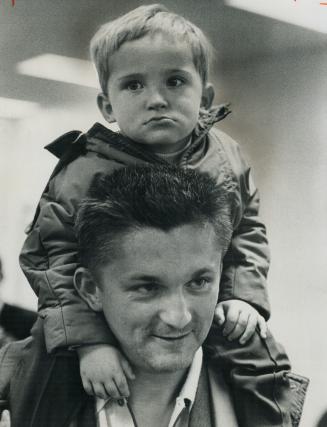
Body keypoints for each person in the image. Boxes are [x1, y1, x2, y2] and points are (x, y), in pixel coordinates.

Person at [18, 4, 291, 425]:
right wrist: (90, 343)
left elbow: (246, 226)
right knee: (45, 369)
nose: (157, 99)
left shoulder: (225, 156)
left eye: (175, 81)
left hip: (209, 316)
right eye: (134, 86)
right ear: (106, 106)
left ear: (206, 97)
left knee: (261, 359)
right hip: (90, 322)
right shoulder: (83, 171)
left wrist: (242, 294)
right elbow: (51, 257)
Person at [0, 166, 293, 426]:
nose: (179, 317)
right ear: (90, 290)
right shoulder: (14, 387)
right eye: (147, 287)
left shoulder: (263, 395)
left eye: (199, 281)